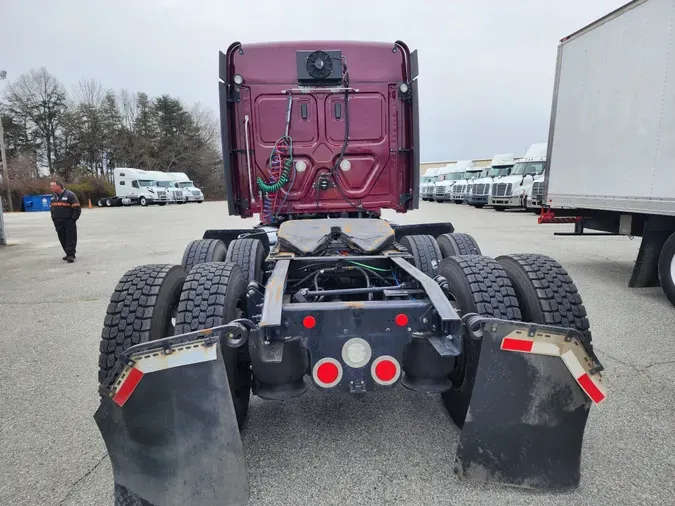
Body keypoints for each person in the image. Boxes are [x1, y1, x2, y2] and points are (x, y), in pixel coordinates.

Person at [49, 180, 81, 263]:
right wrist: (53, 218)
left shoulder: (70, 195)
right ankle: (67, 253)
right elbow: (52, 208)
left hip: (68, 221)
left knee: (71, 238)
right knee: (62, 238)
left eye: (53, 186)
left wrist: (73, 219)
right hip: (58, 221)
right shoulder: (53, 196)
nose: (51, 187)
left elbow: (77, 208)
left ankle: (71, 255)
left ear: (59, 186)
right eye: (51, 186)